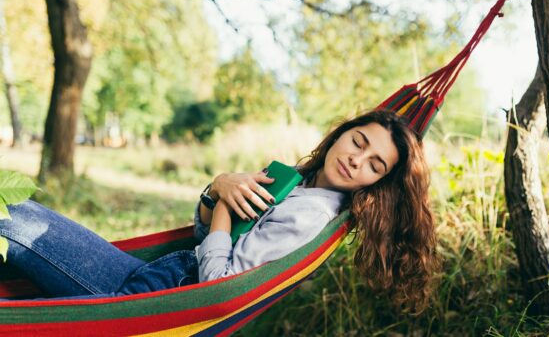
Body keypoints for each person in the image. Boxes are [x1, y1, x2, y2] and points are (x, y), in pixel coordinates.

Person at [0, 109, 439, 312]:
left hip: (156, 302)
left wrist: (227, 196)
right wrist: (217, 191)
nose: (356, 160)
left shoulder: (311, 217)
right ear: (342, 133)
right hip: (158, 277)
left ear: (376, 183)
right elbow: (202, 232)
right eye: (357, 141)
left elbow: (219, 286)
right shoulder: (298, 183)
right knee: (15, 231)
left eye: (374, 164)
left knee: (11, 222)